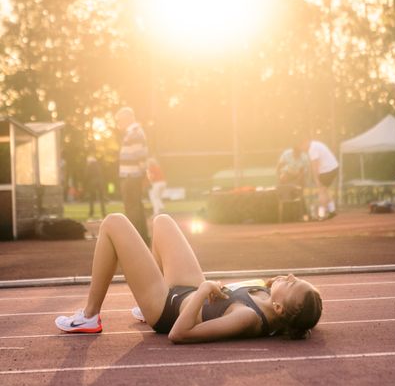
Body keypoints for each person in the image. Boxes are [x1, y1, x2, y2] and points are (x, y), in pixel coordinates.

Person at [55, 213, 322, 342]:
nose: (290, 275)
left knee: (113, 222)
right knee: (162, 222)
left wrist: (205, 290)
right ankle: (147, 294)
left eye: (292, 283)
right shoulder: (271, 302)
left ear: (279, 308)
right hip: (189, 291)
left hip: (168, 310)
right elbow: (303, 315)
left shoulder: (247, 318)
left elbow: (179, 334)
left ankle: (90, 316)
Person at [115, 106, 150, 245]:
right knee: (137, 207)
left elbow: (140, 156)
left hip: (131, 176)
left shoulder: (134, 133)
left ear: (127, 119)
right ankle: (142, 238)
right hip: (132, 175)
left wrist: (143, 174)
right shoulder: (134, 132)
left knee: (132, 209)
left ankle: (136, 241)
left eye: (119, 121)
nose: (118, 124)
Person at [299, 136, 339, 220]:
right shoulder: (315, 144)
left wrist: (316, 180)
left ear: (305, 142)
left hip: (328, 170)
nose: (302, 149)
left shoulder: (312, 149)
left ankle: (321, 215)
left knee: (321, 191)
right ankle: (332, 210)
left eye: (301, 146)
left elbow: (315, 166)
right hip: (333, 167)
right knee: (325, 190)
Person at [276, 145, 310, 220]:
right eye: (295, 154)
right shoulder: (286, 154)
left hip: (299, 174)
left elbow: (303, 172)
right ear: (293, 152)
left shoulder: (304, 157)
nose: (296, 156)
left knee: (299, 192)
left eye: (298, 154)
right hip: (287, 173)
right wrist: (279, 177)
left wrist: (297, 183)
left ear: (300, 153)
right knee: (284, 187)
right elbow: (279, 166)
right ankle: (284, 211)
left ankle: (303, 213)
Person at [84, 148, 106, 219]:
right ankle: (103, 212)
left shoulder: (89, 165)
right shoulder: (97, 165)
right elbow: (101, 173)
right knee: (101, 198)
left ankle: (91, 212)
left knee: (91, 198)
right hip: (100, 181)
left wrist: (85, 183)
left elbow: (87, 175)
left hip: (92, 182)